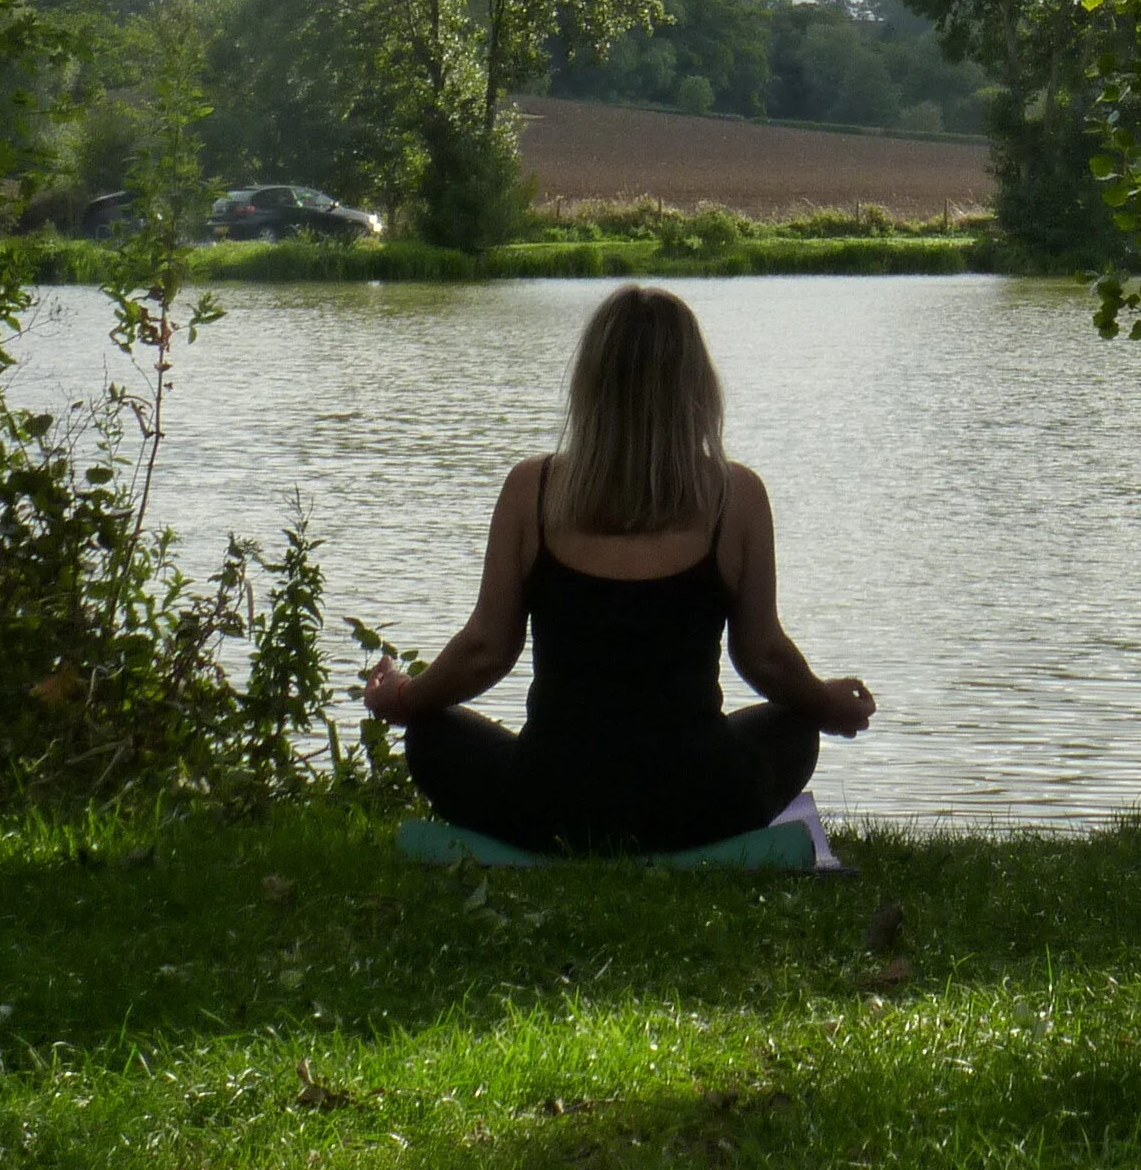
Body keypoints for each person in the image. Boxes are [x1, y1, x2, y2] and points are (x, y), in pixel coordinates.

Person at [361, 283, 875, 854]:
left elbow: (486, 649)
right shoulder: (737, 497)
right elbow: (765, 658)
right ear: (696, 386)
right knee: (794, 723)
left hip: (550, 805)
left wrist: (406, 699)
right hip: (701, 806)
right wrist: (824, 705)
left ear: (590, 385)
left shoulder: (532, 490)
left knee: (431, 734)